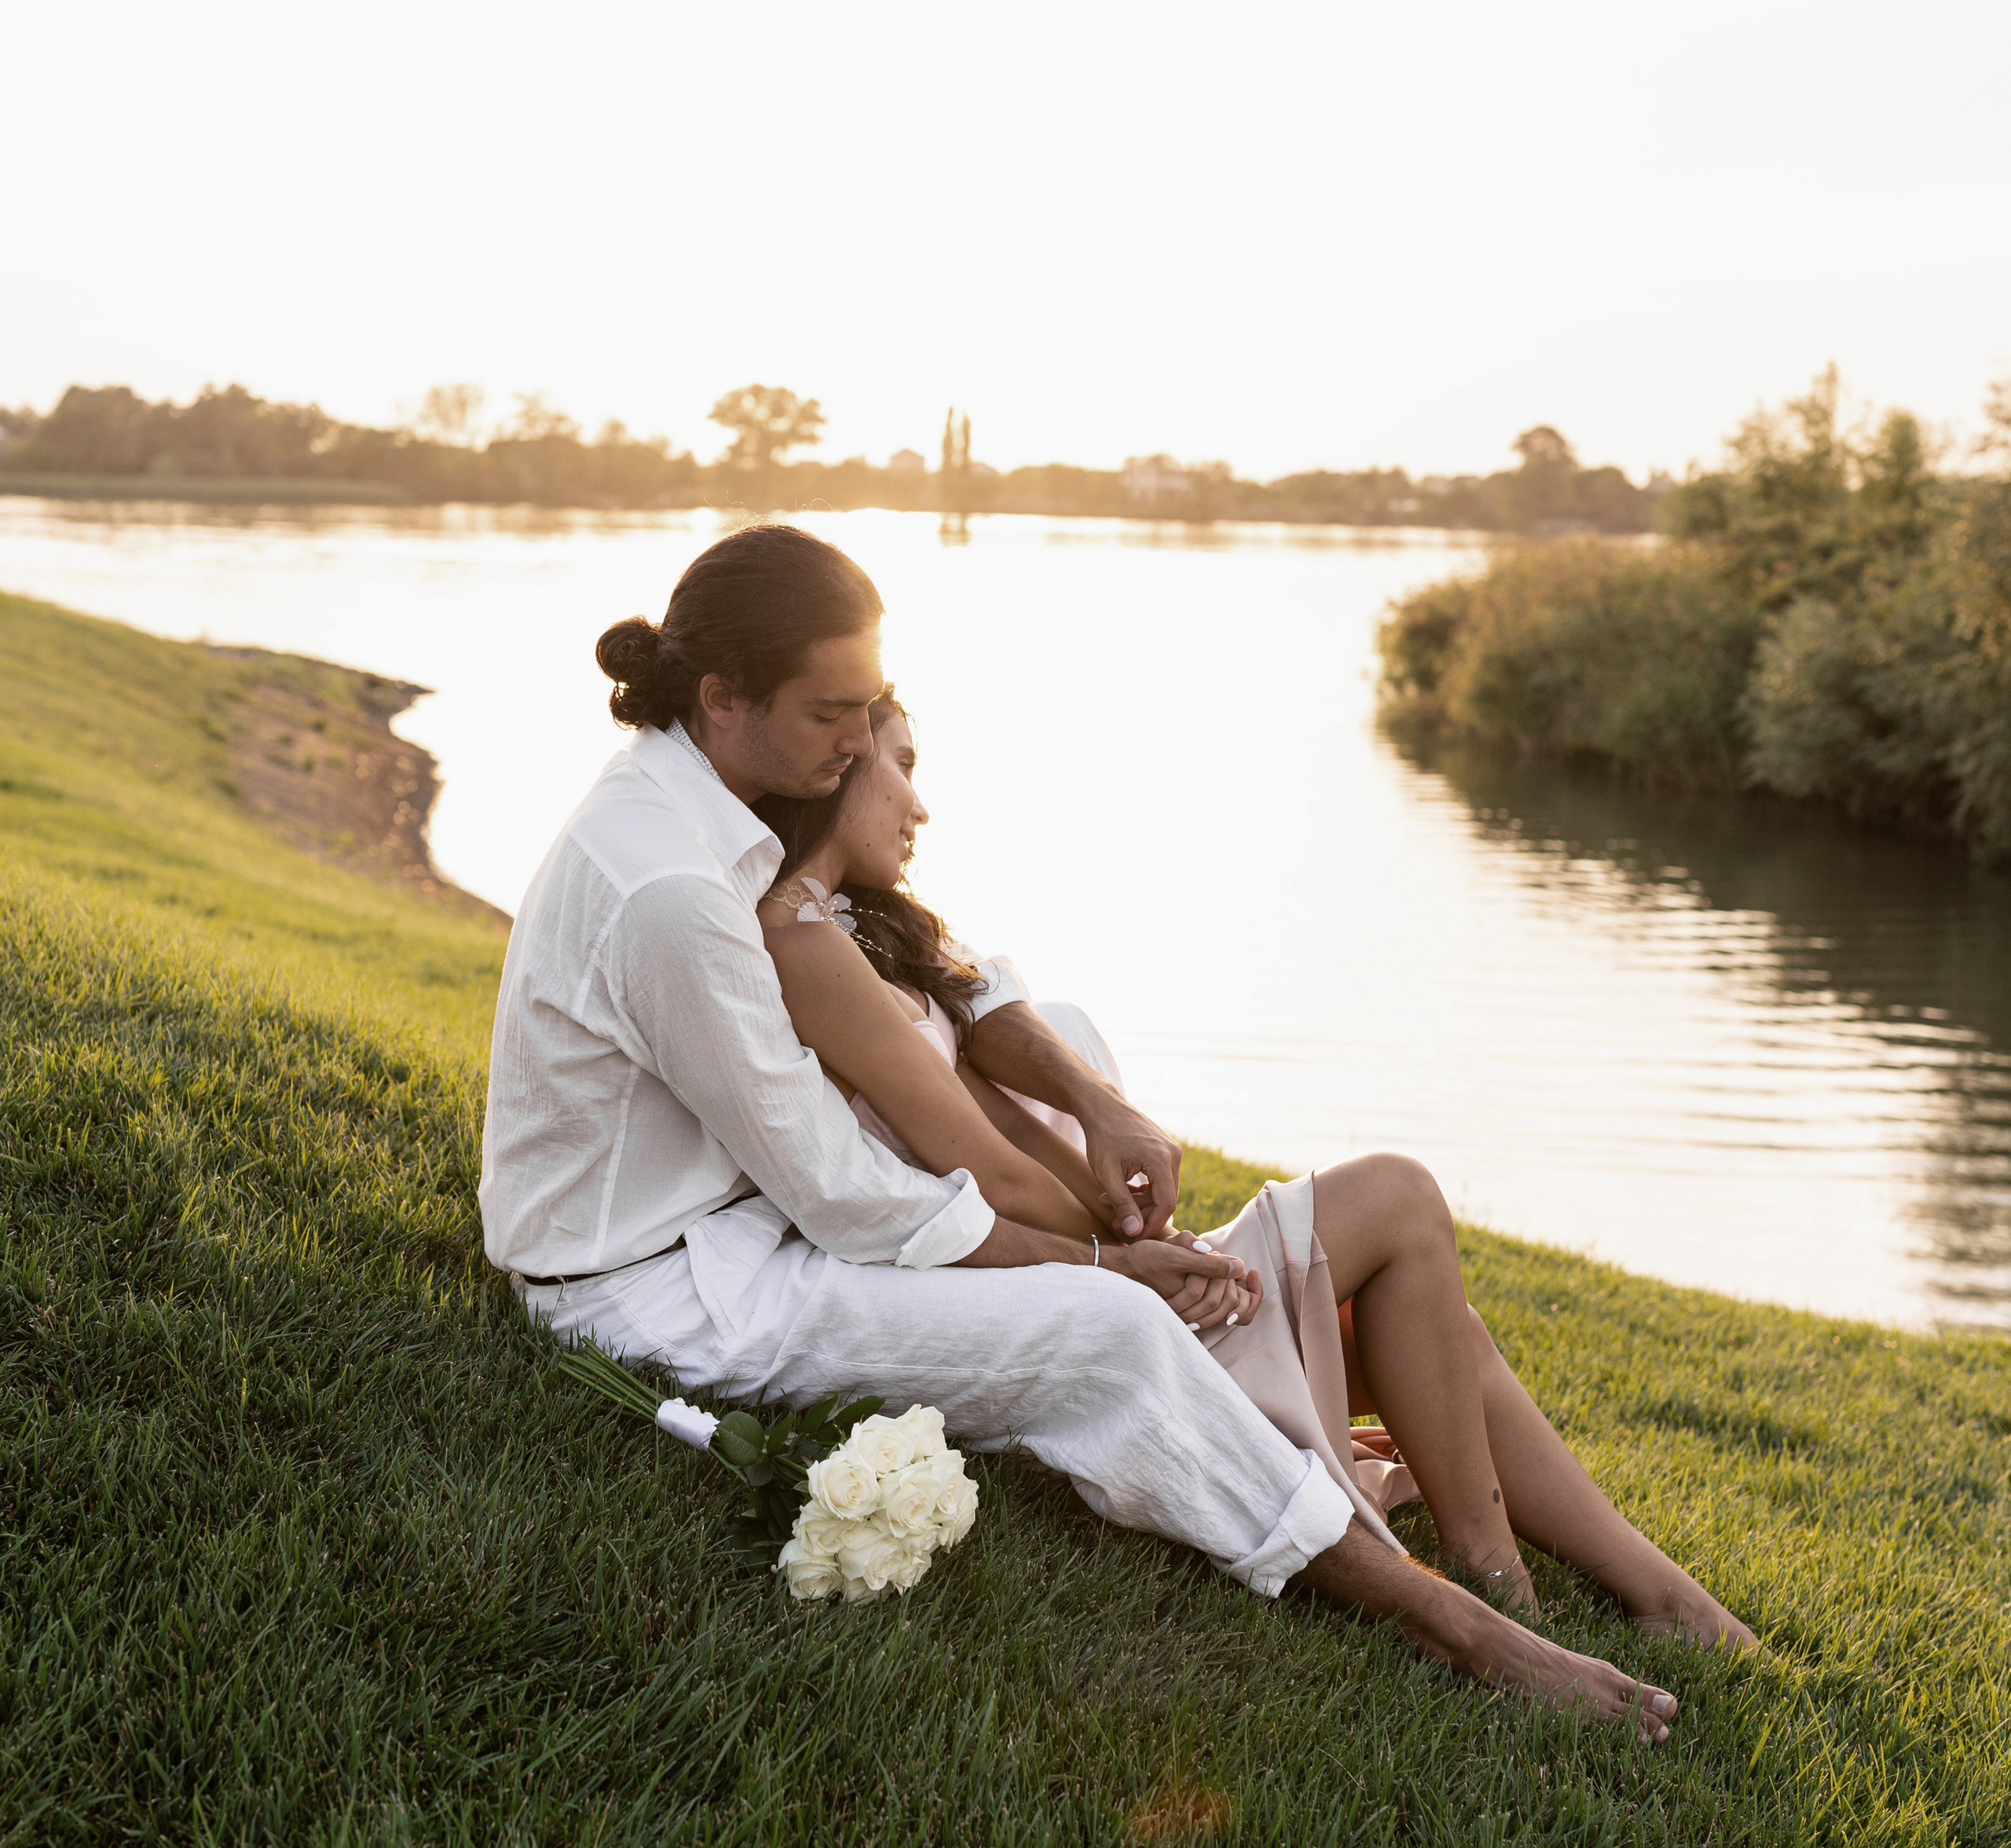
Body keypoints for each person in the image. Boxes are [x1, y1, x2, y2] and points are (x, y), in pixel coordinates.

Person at [480, 521, 1701, 1734]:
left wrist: (1097, 1110)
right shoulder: (677, 892)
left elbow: (956, 1003)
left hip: (734, 1226)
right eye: (833, 716)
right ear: (722, 698)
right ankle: (1461, 1626)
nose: (860, 744)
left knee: (1123, 1204)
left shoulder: (712, 819)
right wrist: (1107, 1267)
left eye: (873, 717)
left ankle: (1438, 1498)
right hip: (657, 1288)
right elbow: (843, 1197)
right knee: (1110, 1329)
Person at [753, 684, 1757, 1656]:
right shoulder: (802, 941)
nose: (921, 803)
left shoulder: (867, 926)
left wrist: (1147, 1228)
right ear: (840, 765)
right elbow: (988, 1179)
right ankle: (1498, 1573)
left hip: (1089, 1259)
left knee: (1443, 1332)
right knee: (1398, 1194)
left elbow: (1011, 1120)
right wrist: (1125, 1263)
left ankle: (1648, 1592)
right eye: (903, 765)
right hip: (1048, 1295)